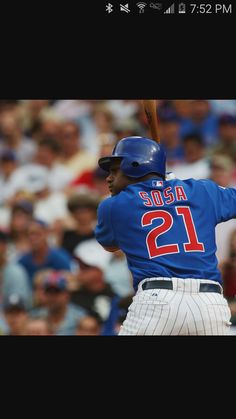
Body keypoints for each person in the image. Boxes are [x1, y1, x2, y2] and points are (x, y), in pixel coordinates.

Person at [95, 136, 234, 335]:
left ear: (135, 166)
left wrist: (162, 192)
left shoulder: (112, 206)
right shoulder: (203, 190)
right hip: (209, 304)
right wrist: (178, 189)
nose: (109, 178)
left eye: (115, 170)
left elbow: (110, 245)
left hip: (156, 303)